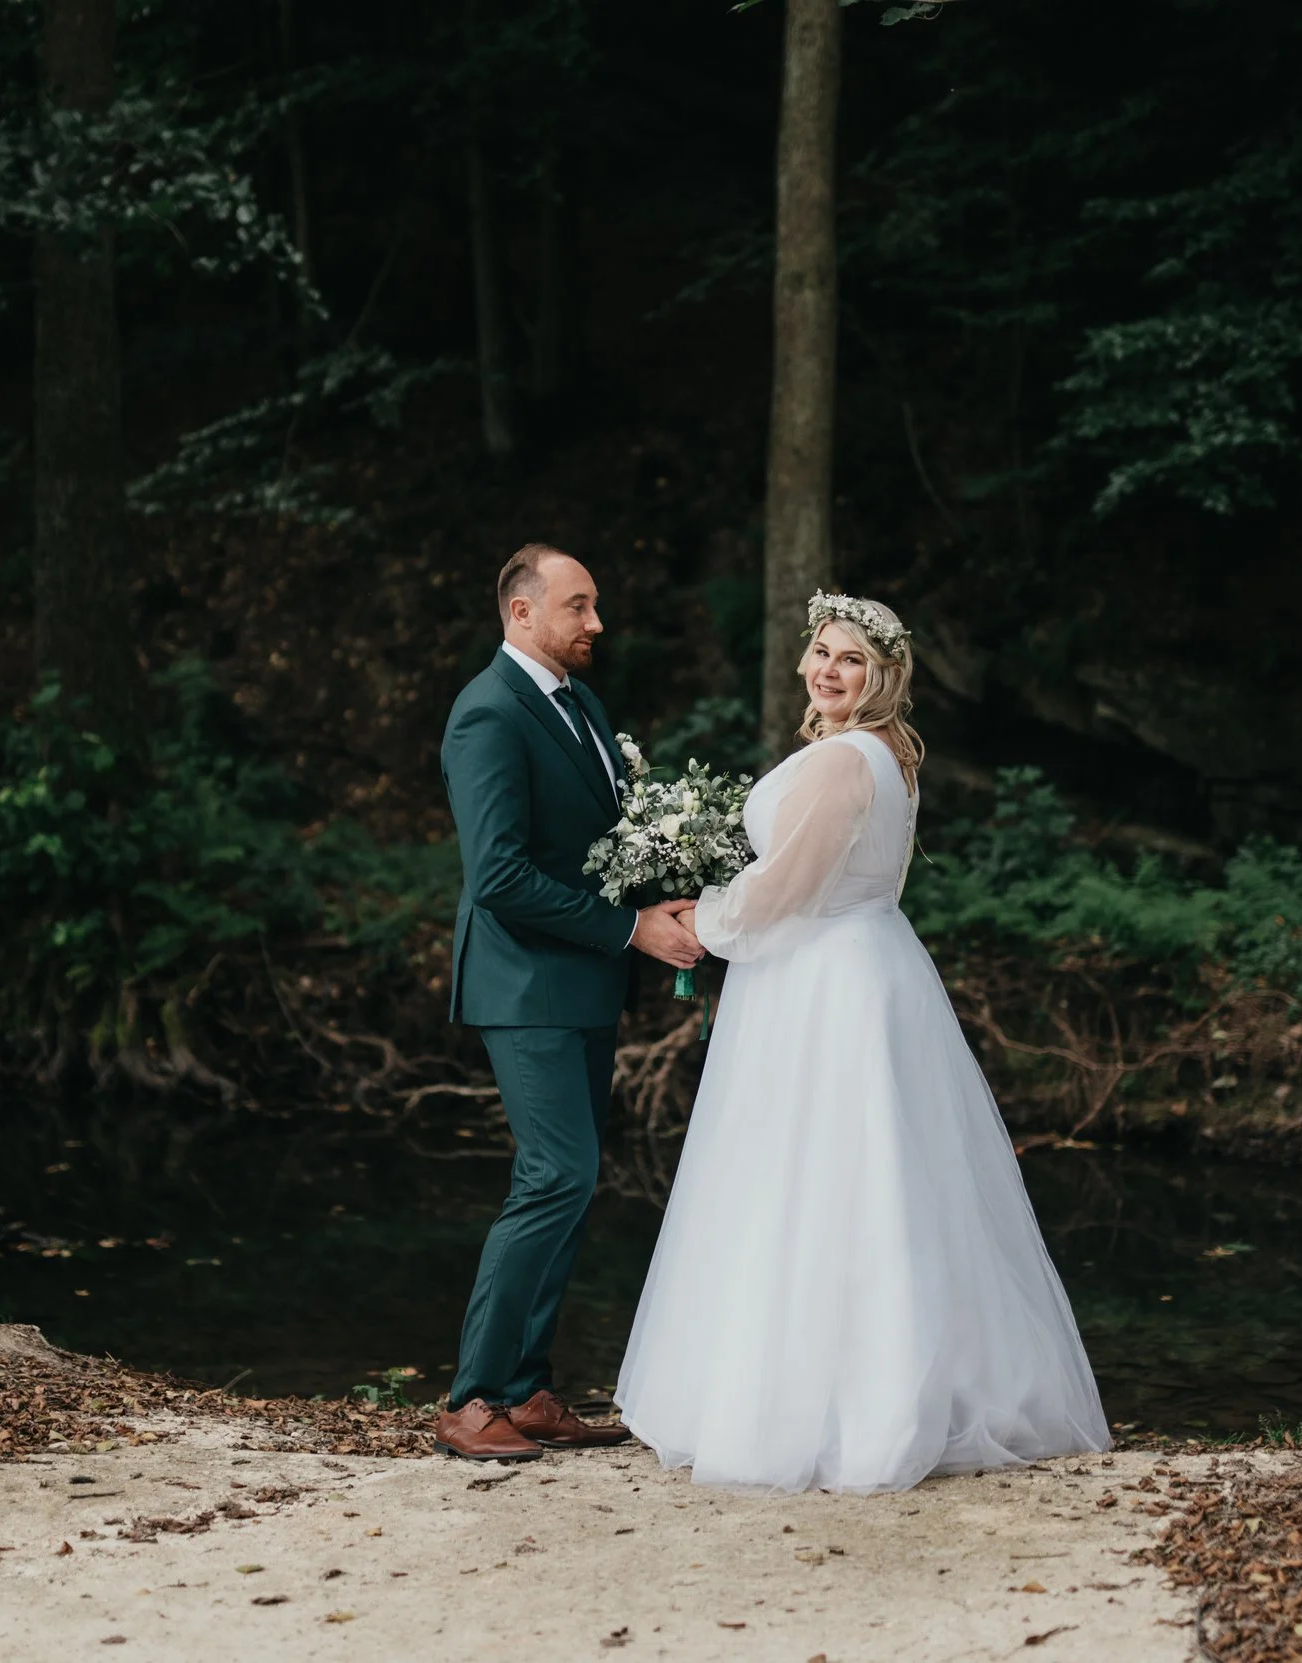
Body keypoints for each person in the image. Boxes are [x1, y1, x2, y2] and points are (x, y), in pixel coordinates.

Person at [615, 593, 1112, 1494]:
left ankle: (840, 1407)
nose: (827, 670)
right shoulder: (885, 757)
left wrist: (703, 919)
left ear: (883, 675)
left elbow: (788, 889)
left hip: (826, 982)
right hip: (866, 966)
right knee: (883, 1181)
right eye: (820, 653)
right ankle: (880, 1384)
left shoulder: (848, 759)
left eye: (849, 659)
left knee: (821, 1182)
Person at [434, 543, 703, 1462]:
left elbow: (600, 841)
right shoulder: (487, 714)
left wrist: (671, 888)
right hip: (527, 983)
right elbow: (501, 877)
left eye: (594, 605)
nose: (597, 623)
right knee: (553, 1174)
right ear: (522, 614)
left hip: (582, 981)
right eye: (579, 606)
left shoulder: (580, 703)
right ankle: (471, 1397)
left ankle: (525, 1388)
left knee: (576, 1179)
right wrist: (631, 932)